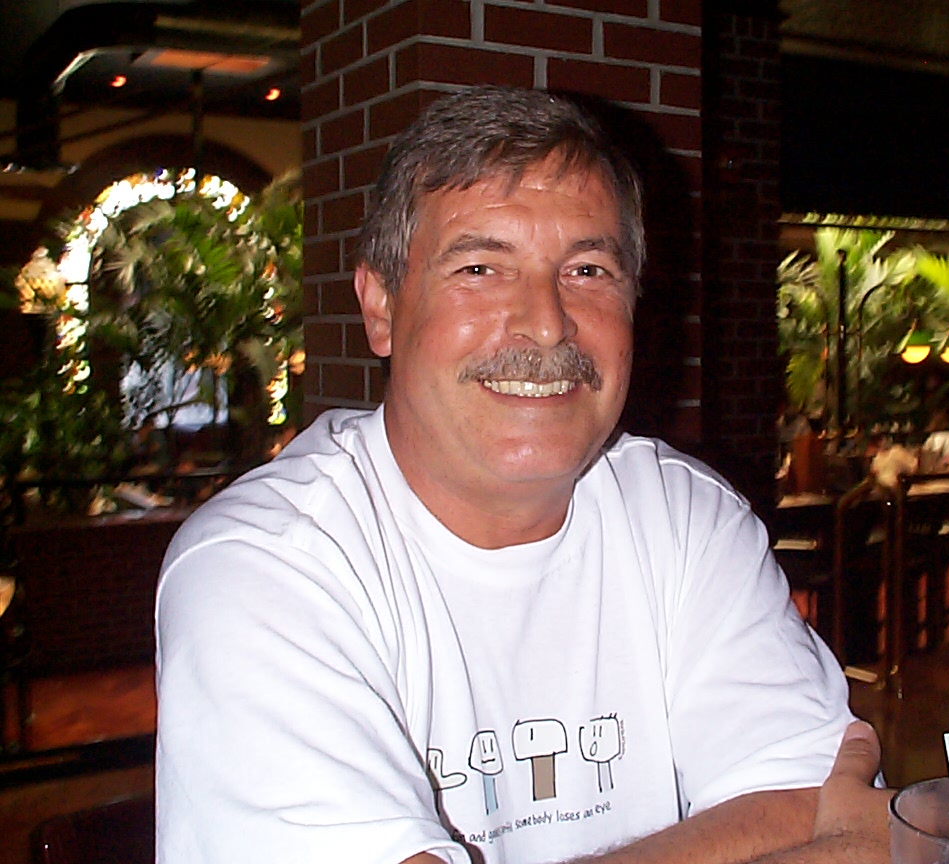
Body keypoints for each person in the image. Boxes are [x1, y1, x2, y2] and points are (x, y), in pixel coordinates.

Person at [155, 86, 891, 864]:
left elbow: (826, 805)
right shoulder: (259, 563)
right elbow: (830, 842)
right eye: (480, 267)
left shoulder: (685, 519)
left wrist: (822, 837)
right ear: (381, 307)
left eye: (587, 270)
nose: (545, 322)